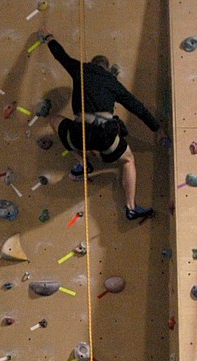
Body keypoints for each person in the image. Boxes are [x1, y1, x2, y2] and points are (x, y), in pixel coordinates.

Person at [41, 29, 166, 220]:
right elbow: (137, 108)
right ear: (107, 69)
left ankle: (83, 164)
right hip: (105, 138)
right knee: (128, 160)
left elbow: (61, 55)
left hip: (78, 135)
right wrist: (157, 130)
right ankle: (131, 207)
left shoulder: (80, 69)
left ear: (92, 64)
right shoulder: (112, 82)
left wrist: (49, 38)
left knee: (54, 120)